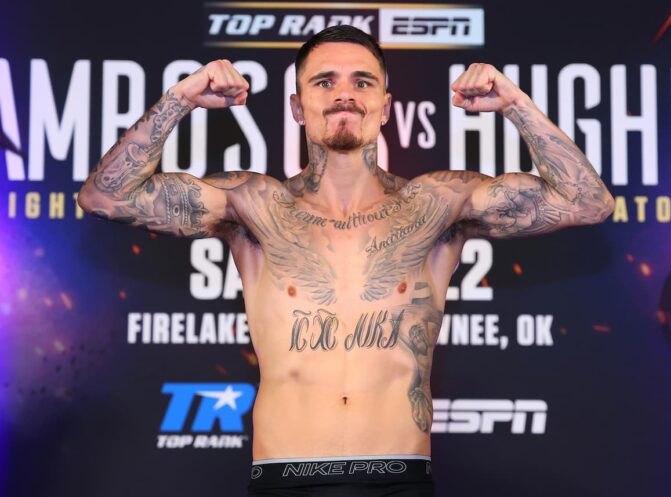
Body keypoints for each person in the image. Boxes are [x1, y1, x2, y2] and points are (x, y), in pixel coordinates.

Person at [77, 25, 614, 497]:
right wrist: (180, 98)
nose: (344, 96)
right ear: (296, 105)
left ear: (385, 103)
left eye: (362, 82)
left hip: (398, 476)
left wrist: (516, 104)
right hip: (283, 477)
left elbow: (589, 203)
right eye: (324, 81)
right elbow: (106, 198)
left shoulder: (437, 205)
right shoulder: (254, 204)